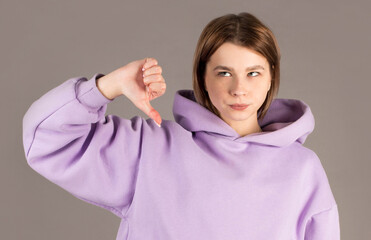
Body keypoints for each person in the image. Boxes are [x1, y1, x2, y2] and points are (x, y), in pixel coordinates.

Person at [22, 12, 340, 239]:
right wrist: (111, 84)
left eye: (253, 73)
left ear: (272, 76)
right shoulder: (150, 149)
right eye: (224, 72)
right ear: (202, 76)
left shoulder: (302, 170)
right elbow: (46, 138)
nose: (239, 89)